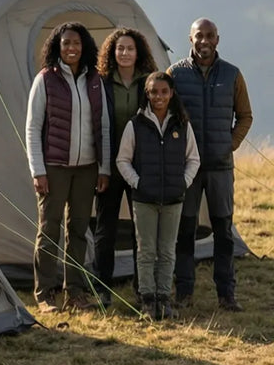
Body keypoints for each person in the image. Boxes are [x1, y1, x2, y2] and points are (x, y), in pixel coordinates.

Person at [25, 22, 111, 313]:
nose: (72, 48)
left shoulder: (95, 80)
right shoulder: (45, 80)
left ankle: (74, 292)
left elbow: (104, 127)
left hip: (87, 168)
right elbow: (33, 127)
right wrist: (38, 170)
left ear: (84, 46)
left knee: (78, 230)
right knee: (49, 229)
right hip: (54, 167)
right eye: (66, 44)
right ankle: (44, 294)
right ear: (57, 47)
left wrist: (104, 169)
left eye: (76, 43)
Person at [169, 19, 253, 311]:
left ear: (218, 39)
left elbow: (245, 116)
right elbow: (165, 113)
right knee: (185, 230)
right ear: (189, 39)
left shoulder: (232, 75)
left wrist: (229, 144)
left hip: (220, 167)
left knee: (224, 232)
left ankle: (227, 295)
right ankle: (184, 292)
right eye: (199, 36)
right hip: (188, 169)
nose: (204, 41)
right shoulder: (175, 74)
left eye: (210, 36)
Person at [116, 72, 200, 321]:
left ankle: (164, 299)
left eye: (163, 92)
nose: (159, 97)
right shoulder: (136, 125)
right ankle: (148, 300)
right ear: (147, 94)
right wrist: (137, 183)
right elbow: (123, 159)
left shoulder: (182, 125)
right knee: (145, 250)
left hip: (173, 199)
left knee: (167, 251)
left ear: (171, 93)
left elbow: (193, 159)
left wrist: (181, 183)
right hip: (144, 200)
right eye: (153, 92)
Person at [93, 28, 157, 299]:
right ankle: (102, 289)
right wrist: (100, 166)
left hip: (139, 166)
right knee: (105, 228)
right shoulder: (102, 82)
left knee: (140, 229)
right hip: (109, 165)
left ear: (138, 51)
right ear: (112, 51)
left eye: (130, 48)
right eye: (120, 48)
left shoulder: (150, 83)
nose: (125, 53)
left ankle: (142, 286)